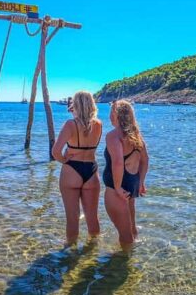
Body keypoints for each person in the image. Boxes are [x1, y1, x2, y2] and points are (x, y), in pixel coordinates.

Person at [52, 91, 103, 246]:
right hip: (91, 170)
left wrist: (65, 159)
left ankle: (70, 253)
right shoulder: (98, 125)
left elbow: (55, 152)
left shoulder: (70, 124)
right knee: (92, 217)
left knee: (72, 218)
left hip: (71, 171)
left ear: (76, 105)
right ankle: (93, 253)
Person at [103, 100, 149, 251]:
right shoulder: (136, 135)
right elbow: (144, 160)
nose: (109, 116)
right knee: (131, 228)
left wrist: (116, 187)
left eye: (111, 112)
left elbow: (117, 162)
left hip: (119, 187)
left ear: (116, 115)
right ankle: (132, 257)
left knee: (125, 236)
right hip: (132, 183)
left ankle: (123, 267)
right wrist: (141, 182)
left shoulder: (114, 135)